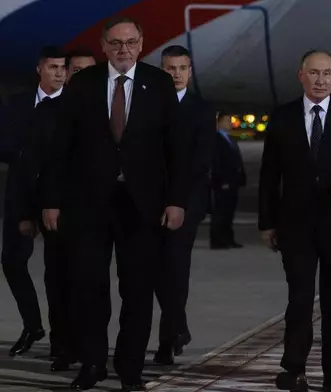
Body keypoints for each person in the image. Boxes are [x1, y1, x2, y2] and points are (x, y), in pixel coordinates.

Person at [41, 16, 190, 391]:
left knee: (137, 291)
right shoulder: (83, 84)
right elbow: (61, 148)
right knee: (89, 289)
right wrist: (51, 202)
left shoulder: (157, 84)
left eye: (130, 42)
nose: (123, 49)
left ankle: (130, 370)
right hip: (88, 203)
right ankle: (92, 364)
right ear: (103, 46)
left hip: (143, 205)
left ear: (141, 45)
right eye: (115, 43)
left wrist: (176, 201)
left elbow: (177, 150)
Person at [258, 49, 331, 392]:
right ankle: (294, 368)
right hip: (295, 226)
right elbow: (269, 174)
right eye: (314, 73)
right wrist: (267, 223)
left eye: (327, 73)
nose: (321, 80)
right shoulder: (282, 118)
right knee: (299, 298)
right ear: (301, 75)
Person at [16, 47, 96, 371]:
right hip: (58, 214)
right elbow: (31, 166)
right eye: (75, 70)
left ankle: (90, 347)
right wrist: (29, 211)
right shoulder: (47, 112)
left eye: (88, 71)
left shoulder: (110, 111)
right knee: (59, 283)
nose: (78, 76)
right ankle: (63, 347)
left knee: (91, 286)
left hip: (98, 215)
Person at [1, 46, 66, 358]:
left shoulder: (73, 106)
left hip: (60, 200)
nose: (59, 73)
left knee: (61, 273)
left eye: (62, 68)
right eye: (53, 67)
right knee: (12, 262)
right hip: (20, 195)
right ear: (40, 68)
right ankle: (32, 324)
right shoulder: (17, 104)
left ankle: (65, 339)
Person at [153, 44, 212, 365]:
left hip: (186, 204)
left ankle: (167, 340)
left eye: (181, 68)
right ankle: (178, 325)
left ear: (190, 71)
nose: (175, 74)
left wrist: (176, 200)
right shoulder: (148, 106)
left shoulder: (201, 110)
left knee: (175, 269)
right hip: (149, 202)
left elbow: (200, 162)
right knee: (153, 273)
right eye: (169, 68)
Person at [210, 112, 245, 249]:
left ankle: (228, 238)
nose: (230, 124)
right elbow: (216, 162)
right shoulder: (215, 140)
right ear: (219, 124)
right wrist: (221, 180)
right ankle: (217, 240)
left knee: (229, 212)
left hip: (233, 181)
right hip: (222, 182)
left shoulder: (230, 139)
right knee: (220, 211)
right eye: (227, 121)